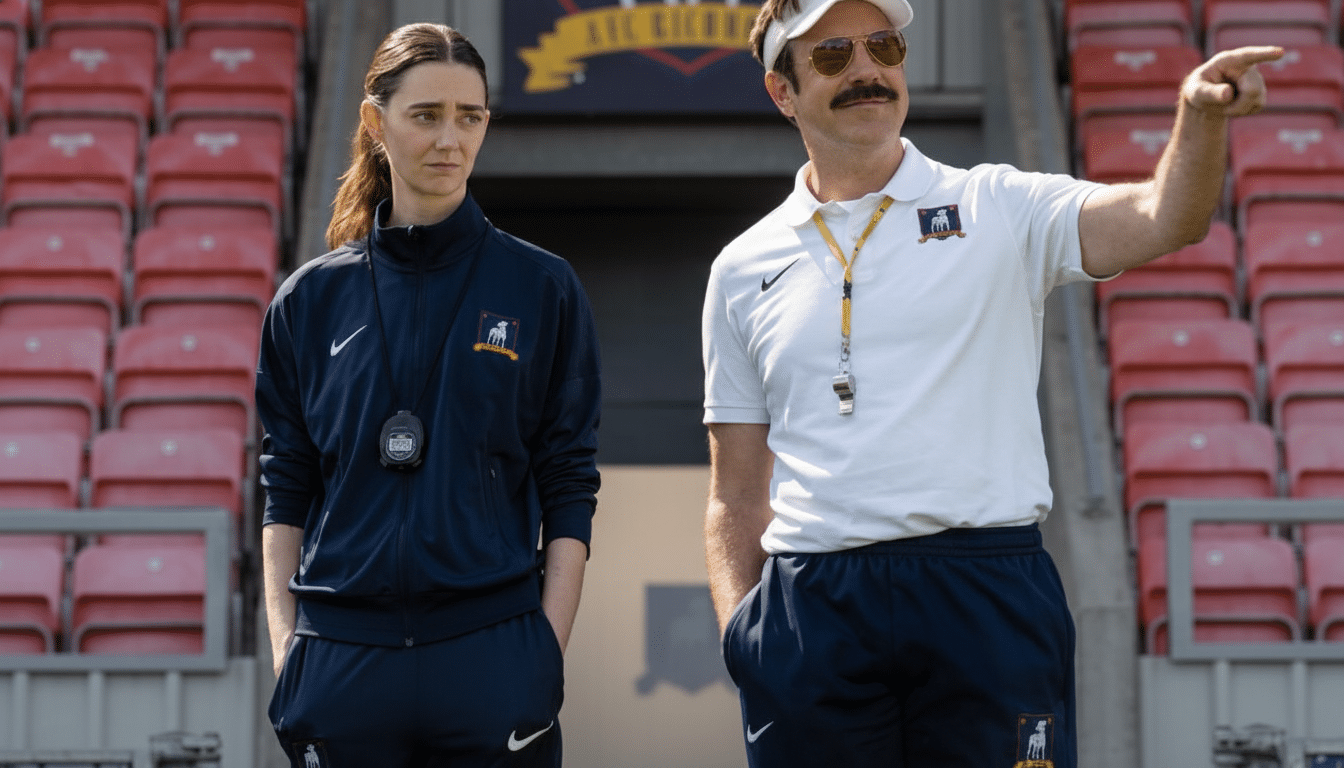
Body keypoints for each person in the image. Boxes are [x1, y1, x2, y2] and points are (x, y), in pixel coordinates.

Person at [701, 1, 1280, 766]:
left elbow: (1163, 215)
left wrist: (1198, 120)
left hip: (985, 586)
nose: (868, 69)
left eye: (883, 45)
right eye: (834, 56)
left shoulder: (998, 203)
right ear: (783, 92)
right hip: (815, 604)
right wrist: (746, 636)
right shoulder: (741, 268)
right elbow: (735, 495)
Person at [256, 23, 601, 768]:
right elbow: (285, 489)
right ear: (377, 125)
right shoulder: (308, 302)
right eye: (426, 115)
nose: (451, 139)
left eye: (469, 116)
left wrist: (542, 649)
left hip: (492, 658)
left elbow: (569, 480)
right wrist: (290, 653)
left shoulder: (542, 288)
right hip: (341, 665)